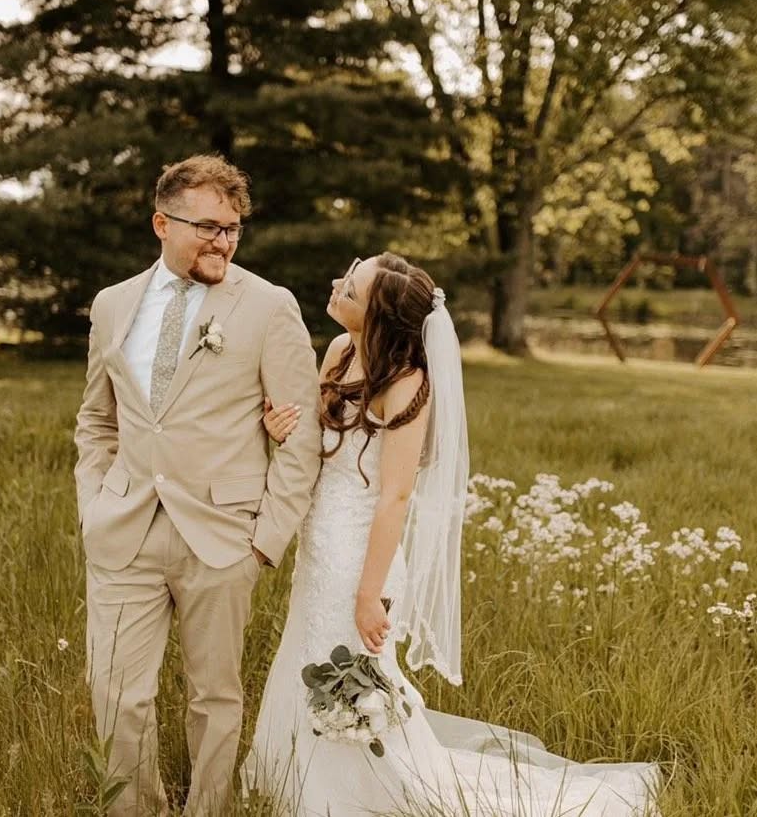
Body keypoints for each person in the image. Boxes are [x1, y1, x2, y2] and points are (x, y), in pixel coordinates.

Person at [243, 252, 661, 815]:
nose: (337, 285)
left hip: (363, 552)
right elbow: (317, 441)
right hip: (320, 544)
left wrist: (370, 593)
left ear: (381, 319)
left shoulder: (408, 384)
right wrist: (279, 429)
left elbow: (394, 495)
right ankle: (288, 776)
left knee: (353, 665)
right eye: (349, 274)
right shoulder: (340, 351)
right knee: (305, 652)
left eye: (353, 290)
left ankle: (361, 792)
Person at [74, 154, 321, 815]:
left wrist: (266, 539)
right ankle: (135, 808)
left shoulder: (269, 306)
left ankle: (206, 809)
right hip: (123, 530)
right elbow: (97, 420)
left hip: (223, 536)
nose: (223, 241)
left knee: (214, 696)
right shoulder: (114, 304)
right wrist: (93, 503)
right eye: (208, 227)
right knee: (116, 690)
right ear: (162, 222)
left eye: (233, 229)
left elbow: (301, 433)